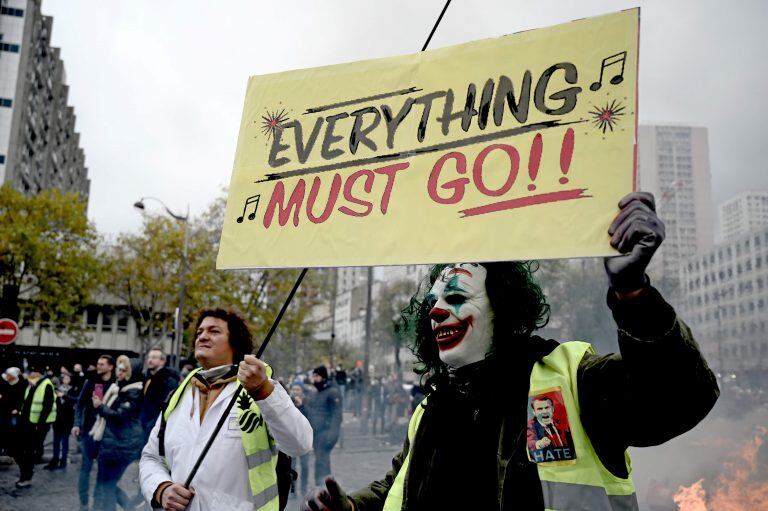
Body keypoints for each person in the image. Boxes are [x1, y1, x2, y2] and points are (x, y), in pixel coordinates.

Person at [302, 192, 720, 511]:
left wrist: (634, 296)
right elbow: (399, 485)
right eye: (432, 303)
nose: (437, 311)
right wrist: (353, 506)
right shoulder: (432, 407)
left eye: (456, 296)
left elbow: (681, 397)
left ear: (502, 307)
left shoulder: (570, 380)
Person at [139, 308, 313, 510]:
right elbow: (151, 457)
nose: (203, 336)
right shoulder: (178, 396)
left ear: (234, 343)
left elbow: (300, 444)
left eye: (214, 331)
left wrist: (262, 391)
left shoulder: (262, 390)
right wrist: (161, 488)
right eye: (199, 332)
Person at [92, 355, 144, 511]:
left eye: (123, 370)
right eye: (118, 369)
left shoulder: (133, 391)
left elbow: (120, 416)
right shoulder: (119, 388)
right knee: (107, 484)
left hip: (121, 446)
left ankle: (128, 508)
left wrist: (100, 406)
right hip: (113, 444)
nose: (119, 373)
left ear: (130, 372)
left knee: (108, 484)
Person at [73, 355, 116, 511]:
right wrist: (77, 424)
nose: (98, 366)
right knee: (85, 468)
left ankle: (97, 502)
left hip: (107, 434)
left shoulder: (116, 383)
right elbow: (80, 404)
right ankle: (83, 502)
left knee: (102, 471)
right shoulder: (91, 381)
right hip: (89, 432)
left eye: (102, 364)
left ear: (111, 367)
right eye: (98, 363)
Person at [14, 366, 56, 488]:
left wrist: (40, 425)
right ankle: (25, 474)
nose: (31, 374)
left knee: (28, 452)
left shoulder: (46, 385)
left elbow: (47, 407)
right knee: (18, 450)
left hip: (35, 425)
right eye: (30, 372)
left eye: (33, 372)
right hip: (25, 422)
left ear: (40, 373)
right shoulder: (31, 384)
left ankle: (26, 477)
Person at [139, 348, 179, 441]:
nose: (150, 360)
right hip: (144, 422)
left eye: (154, 357)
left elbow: (167, 405)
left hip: (156, 425)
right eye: (149, 357)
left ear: (162, 361)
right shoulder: (148, 377)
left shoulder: (168, 379)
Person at [526, 395, 574, 463]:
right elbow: (530, 442)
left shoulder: (561, 422)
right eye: (540, 409)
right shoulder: (530, 425)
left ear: (552, 409)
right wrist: (539, 443)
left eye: (547, 407)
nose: (544, 411)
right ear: (534, 412)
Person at [45, 373, 78, 469]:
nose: (65, 379)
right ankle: (54, 460)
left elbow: (75, 400)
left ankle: (63, 461)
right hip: (57, 419)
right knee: (56, 441)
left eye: (67, 378)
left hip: (67, 419)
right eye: (64, 378)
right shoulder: (57, 389)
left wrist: (64, 396)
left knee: (65, 441)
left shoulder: (73, 389)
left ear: (70, 379)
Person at [0, 367, 26, 458]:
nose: (7, 376)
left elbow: (23, 398)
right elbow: (3, 395)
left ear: (13, 376)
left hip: (14, 412)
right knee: (4, 429)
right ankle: (5, 448)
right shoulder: (6, 383)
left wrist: (18, 409)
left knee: (14, 430)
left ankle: (13, 450)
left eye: (9, 375)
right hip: (4, 410)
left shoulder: (21, 384)